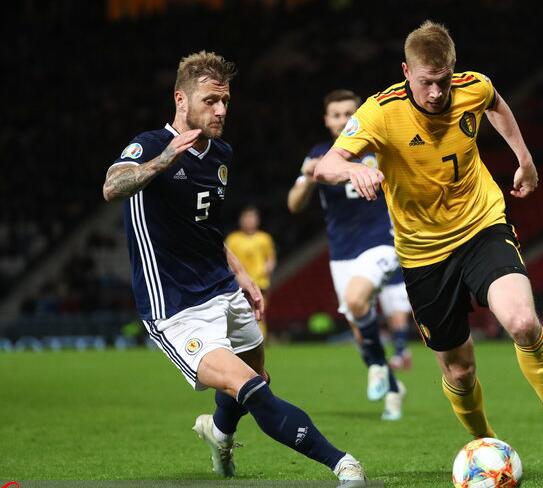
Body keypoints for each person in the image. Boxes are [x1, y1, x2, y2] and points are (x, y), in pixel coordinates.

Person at [314, 22, 543, 461]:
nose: (436, 93)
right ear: (406, 72)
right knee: (460, 371)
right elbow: (326, 166)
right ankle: (487, 444)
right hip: (422, 253)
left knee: (523, 322)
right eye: (426, 82)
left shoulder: (473, 86)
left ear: (454, 69)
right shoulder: (379, 111)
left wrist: (524, 159)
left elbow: (496, 103)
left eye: (443, 80)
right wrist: (354, 168)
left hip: (481, 226)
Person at [102, 51, 365, 484]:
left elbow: (206, 228)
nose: (221, 110)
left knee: (256, 375)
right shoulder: (149, 144)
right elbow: (113, 187)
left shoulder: (220, 152)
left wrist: (242, 274)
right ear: (181, 99)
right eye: (210, 101)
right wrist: (164, 159)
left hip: (223, 287)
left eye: (225, 100)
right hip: (175, 307)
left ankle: (220, 433)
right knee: (253, 388)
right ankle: (343, 463)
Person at [287, 89, 412, 421]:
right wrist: (308, 176)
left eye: (348, 114)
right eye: (336, 115)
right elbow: (294, 205)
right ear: (327, 120)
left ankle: (378, 367)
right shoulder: (320, 155)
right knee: (360, 330)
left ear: (358, 116)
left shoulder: (376, 147)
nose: (343, 120)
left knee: (357, 301)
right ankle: (392, 387)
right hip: (341, 253)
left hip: (382, 242)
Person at [225, 205, 276, 336]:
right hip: (239, 283)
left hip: (260, 282)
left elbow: (271, 259)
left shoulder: (264, 238)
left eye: (252, 217)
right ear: (240, 220)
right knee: (240, 314)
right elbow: (227, 260)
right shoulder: (233, 239)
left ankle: (260, 340)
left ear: (257, 220)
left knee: (259, 312)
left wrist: (265, 270)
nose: (249, 221)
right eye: (246, 217)